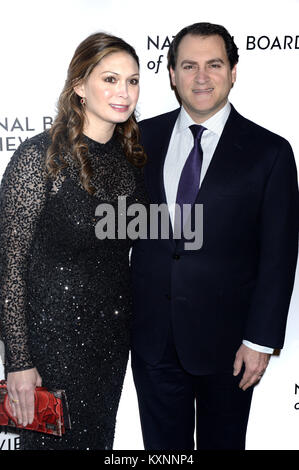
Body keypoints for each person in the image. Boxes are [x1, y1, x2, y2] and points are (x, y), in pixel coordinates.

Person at [130, 22, 299, 450]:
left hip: (231, 347)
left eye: (214, 64)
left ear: (233, 71)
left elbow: (279, 256)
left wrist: (260, 340)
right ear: (171, 74)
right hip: (153, 342)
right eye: (189, 65)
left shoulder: (270, 152)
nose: (201, 76)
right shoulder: (138, 140)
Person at [0, 32, 147, 450]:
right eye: (111, 79)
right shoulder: (39, 158)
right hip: (51, 349)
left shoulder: (131, 163)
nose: (124, 92)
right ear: (80, 86)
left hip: (111, 344)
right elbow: (9, 267)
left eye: (133, 81)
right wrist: (19, 362)